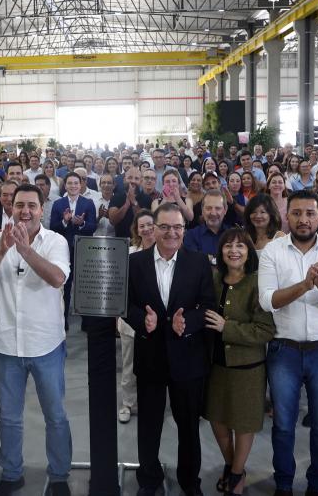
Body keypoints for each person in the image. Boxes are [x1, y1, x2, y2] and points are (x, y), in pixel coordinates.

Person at [0, 184, 73, 496]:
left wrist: (26, 249)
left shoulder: (55, 241)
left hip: (46, 344)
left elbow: (57, 278)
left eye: (32, 205)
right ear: (11, 208)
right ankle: (12, 473)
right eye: (19, 205)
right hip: (7, 346)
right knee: (9, 417)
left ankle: (58, 476)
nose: (25, 211)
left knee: (55, 415)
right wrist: (4, 249)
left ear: (42, 209)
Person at [257, 190, 318, 496]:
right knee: (283, 426)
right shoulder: (273, 251)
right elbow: (268, 301)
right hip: (284, 352)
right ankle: (284, 484)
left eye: (310, 213)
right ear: (288, 216)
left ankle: (317, 485)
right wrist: (304, 285)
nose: (303, 219)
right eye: (297, 213)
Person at [125, 203, 215, 496]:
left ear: (184, 230)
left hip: (186, 357)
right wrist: (143, 320)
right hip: (150, 355)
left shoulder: (199, 262)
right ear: (153, 229)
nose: (171, 233)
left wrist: (187, 322)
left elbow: (208, 307)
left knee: (188, 426)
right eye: (164, 227)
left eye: (177, 227)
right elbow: (126, 305)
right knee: (148, 426)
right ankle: (148, 480)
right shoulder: (136, 263)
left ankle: (190, 481)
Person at [204, 228, 275, 495]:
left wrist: (227, 327)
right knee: (217, 420)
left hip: (248, 369)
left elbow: (265, 330)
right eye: (228, 246)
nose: (234, 251)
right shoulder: (212, 279)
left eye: (241, 246)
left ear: (249, 253)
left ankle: (236, 473)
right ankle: (231, 464)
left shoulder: (258, 282)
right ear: (220, 251)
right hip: (214, 366)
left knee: (243, 423)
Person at [118, 210, 156, 424]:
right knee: (129, 364)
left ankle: (151, 402)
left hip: (157, 321)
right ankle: (128, 403)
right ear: (136, 229)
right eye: (142, 226)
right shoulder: (129, 252)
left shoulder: (165, 252)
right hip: (131, 320)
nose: (147, 229)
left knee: (154, 365)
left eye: (150, 224)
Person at [50, 172, 97, 324]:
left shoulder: (88, 203)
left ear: (81, 185)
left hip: (83, 250)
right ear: (65, 185)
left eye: (76, 183)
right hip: (64, 250)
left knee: (83, 285)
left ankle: (86, 321)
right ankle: (63, 319)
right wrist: (64, 222)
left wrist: (81, 224)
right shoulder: (58, 204)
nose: (73, 186)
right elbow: (53, 228)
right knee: (66, 284)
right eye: (70, 183)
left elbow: (93, 227)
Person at [183, 189, 227, 260]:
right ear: (202, 211)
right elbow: (192, 262)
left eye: (218, 208)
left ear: (225, 210)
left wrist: (208, 258)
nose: (213, 213)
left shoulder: (232, 235)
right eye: (208, 208)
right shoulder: (191, 236)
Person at [109, 167, 152, 239]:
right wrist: (127, 204)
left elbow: (146, 223)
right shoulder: (116, 197)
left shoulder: (147, 199)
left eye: (136, 179)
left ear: (141, 182)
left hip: (141, 242)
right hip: (121, 242)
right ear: (124, 180)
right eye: (130, 178)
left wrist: (134, 202)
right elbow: (113, 221)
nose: (133, 181)